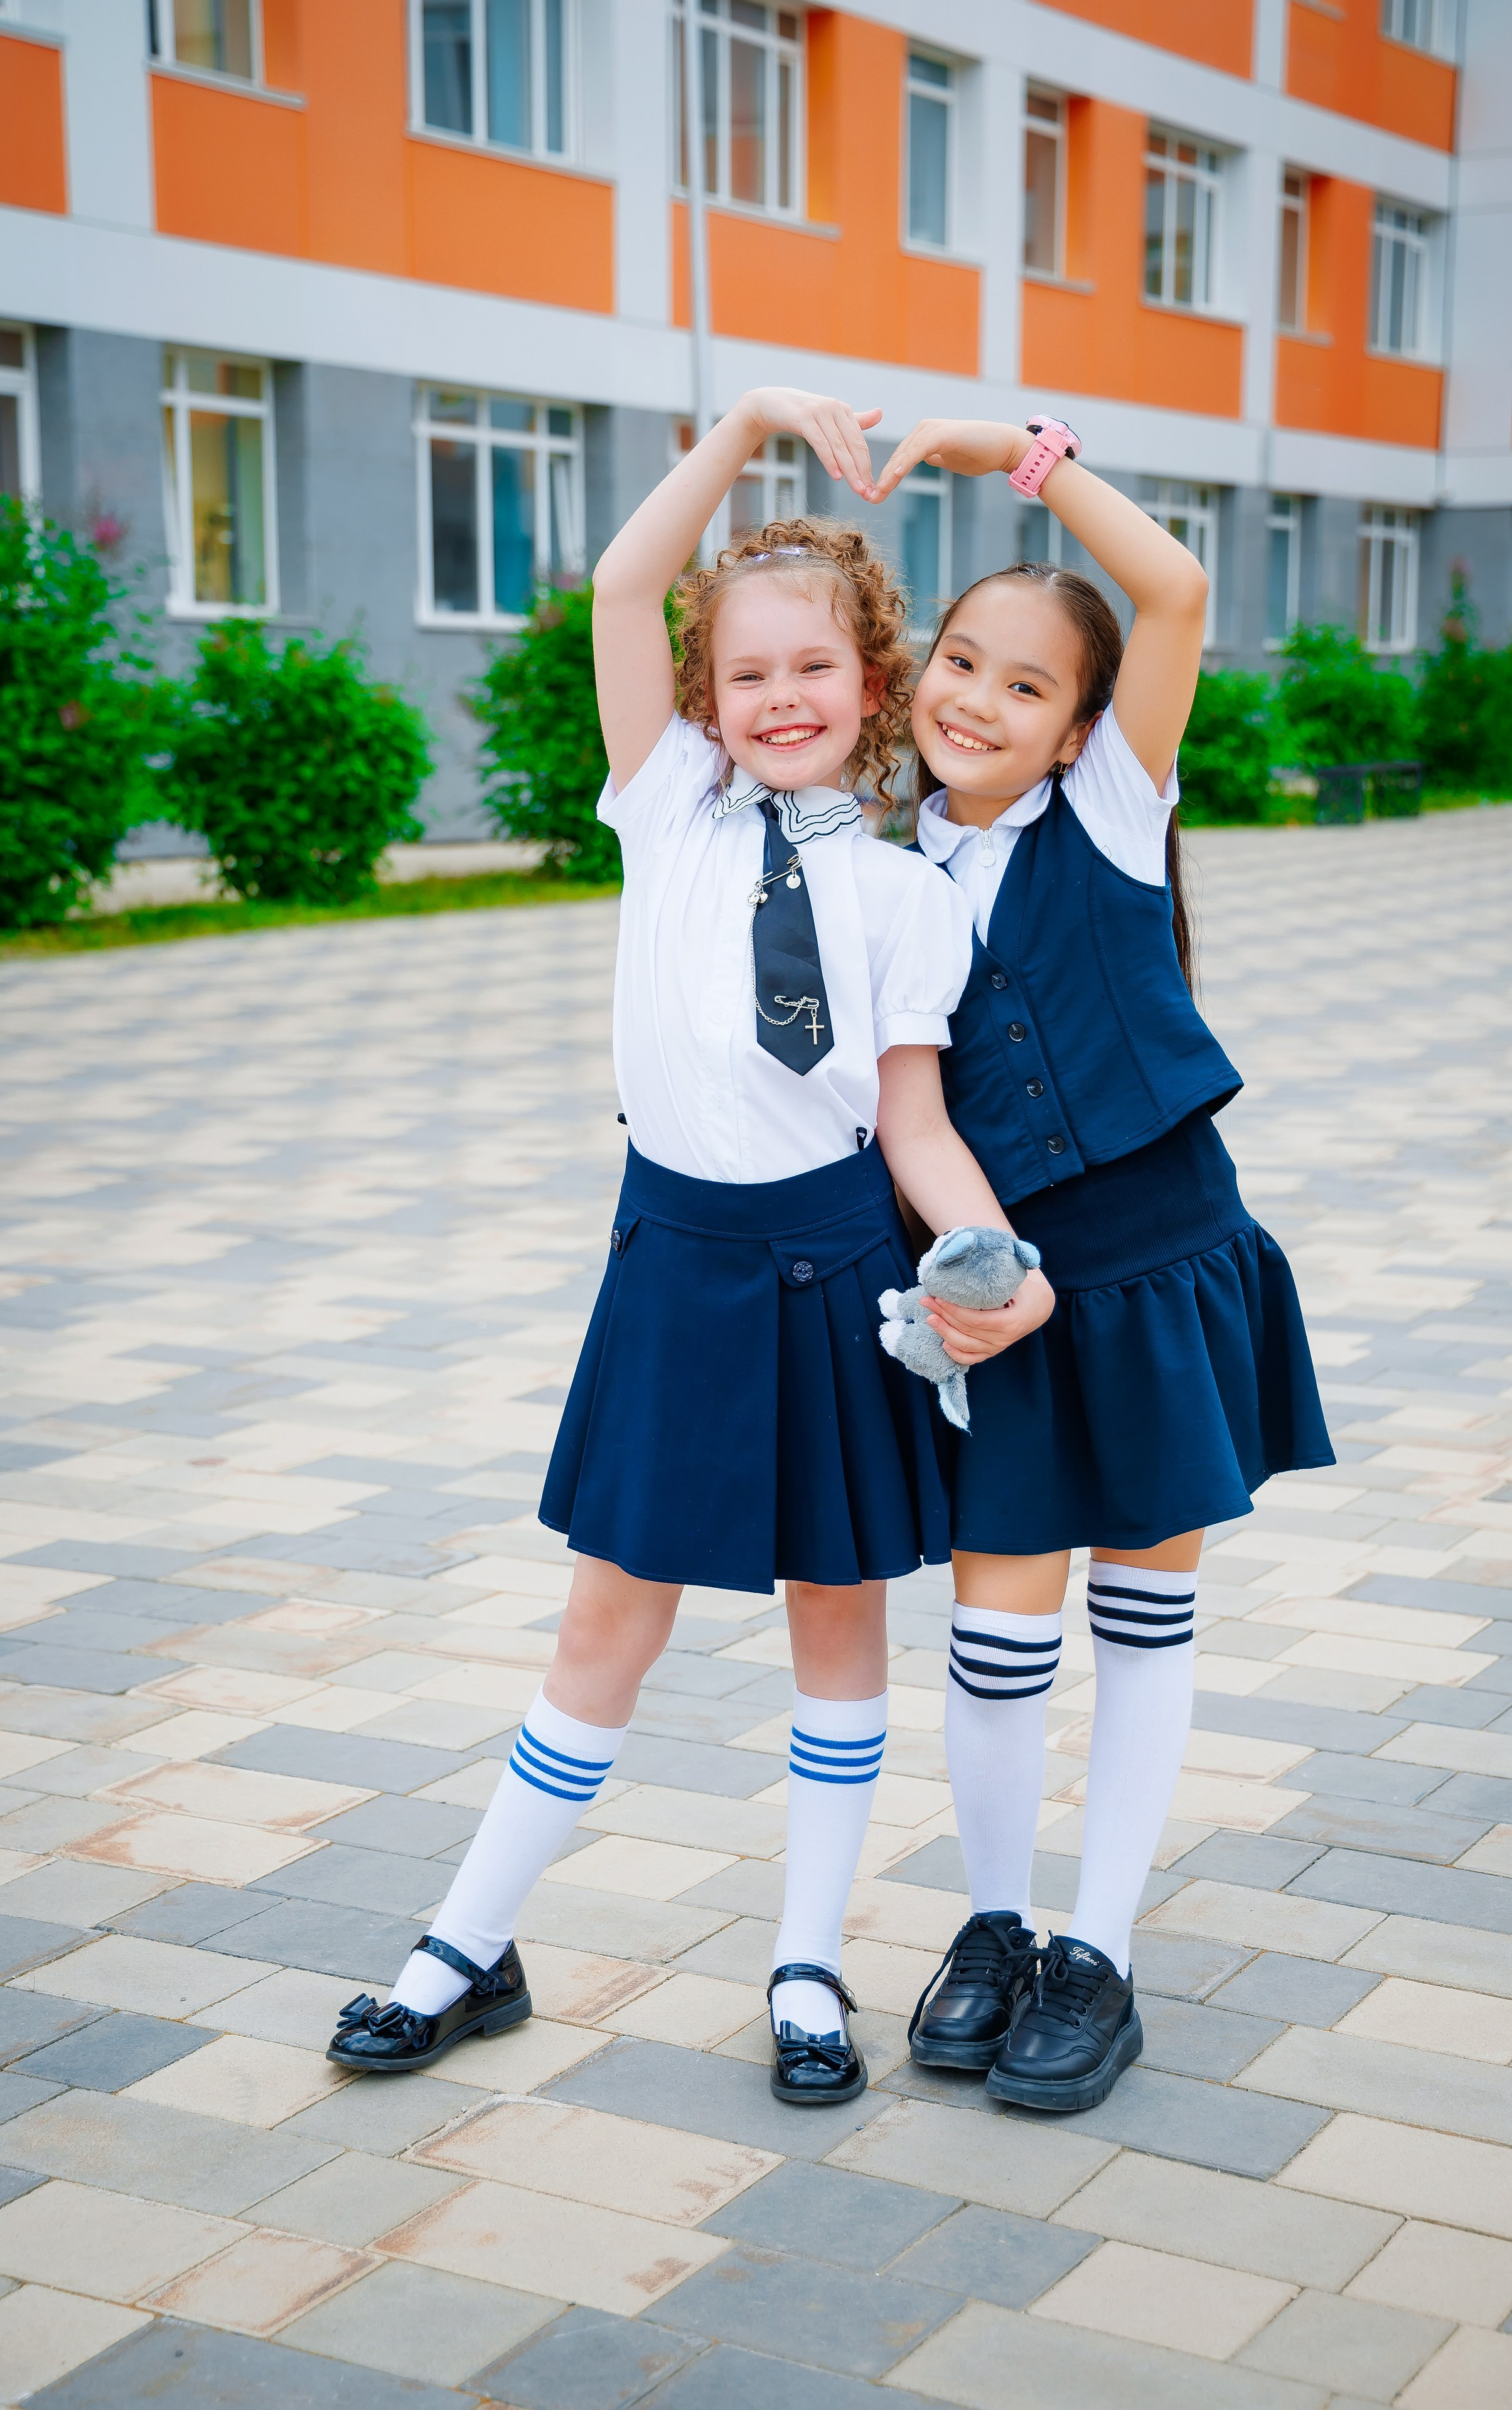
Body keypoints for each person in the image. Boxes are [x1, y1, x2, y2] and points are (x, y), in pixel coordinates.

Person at [327, 389, 1052, 2105]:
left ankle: (810, 1962)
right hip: (671, 1262)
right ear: (705, 703)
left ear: (871, 688)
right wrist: (739, 434)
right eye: (745, 674)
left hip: (827, 1270)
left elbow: (916, 1127)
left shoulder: (905, 898)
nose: (780, 697)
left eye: (814, 668)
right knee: (606, 1623)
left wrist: (995, 1258)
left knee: (837, 1615)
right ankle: (467, 1941)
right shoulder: (665, 809)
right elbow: (620, 588)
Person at [881, 418, 1334, 2114]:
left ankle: (1101, 1954)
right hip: (995, 1308)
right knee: (996, 1642)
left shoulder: (1114, 816)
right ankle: (994, 1930)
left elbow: (1178, 585)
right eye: (959, 662)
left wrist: (1025, 455)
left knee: (1145, 1621)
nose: (977, 700)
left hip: (1157, 1270)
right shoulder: (876, 864)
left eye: (1024, 687)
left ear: (1081, 726)